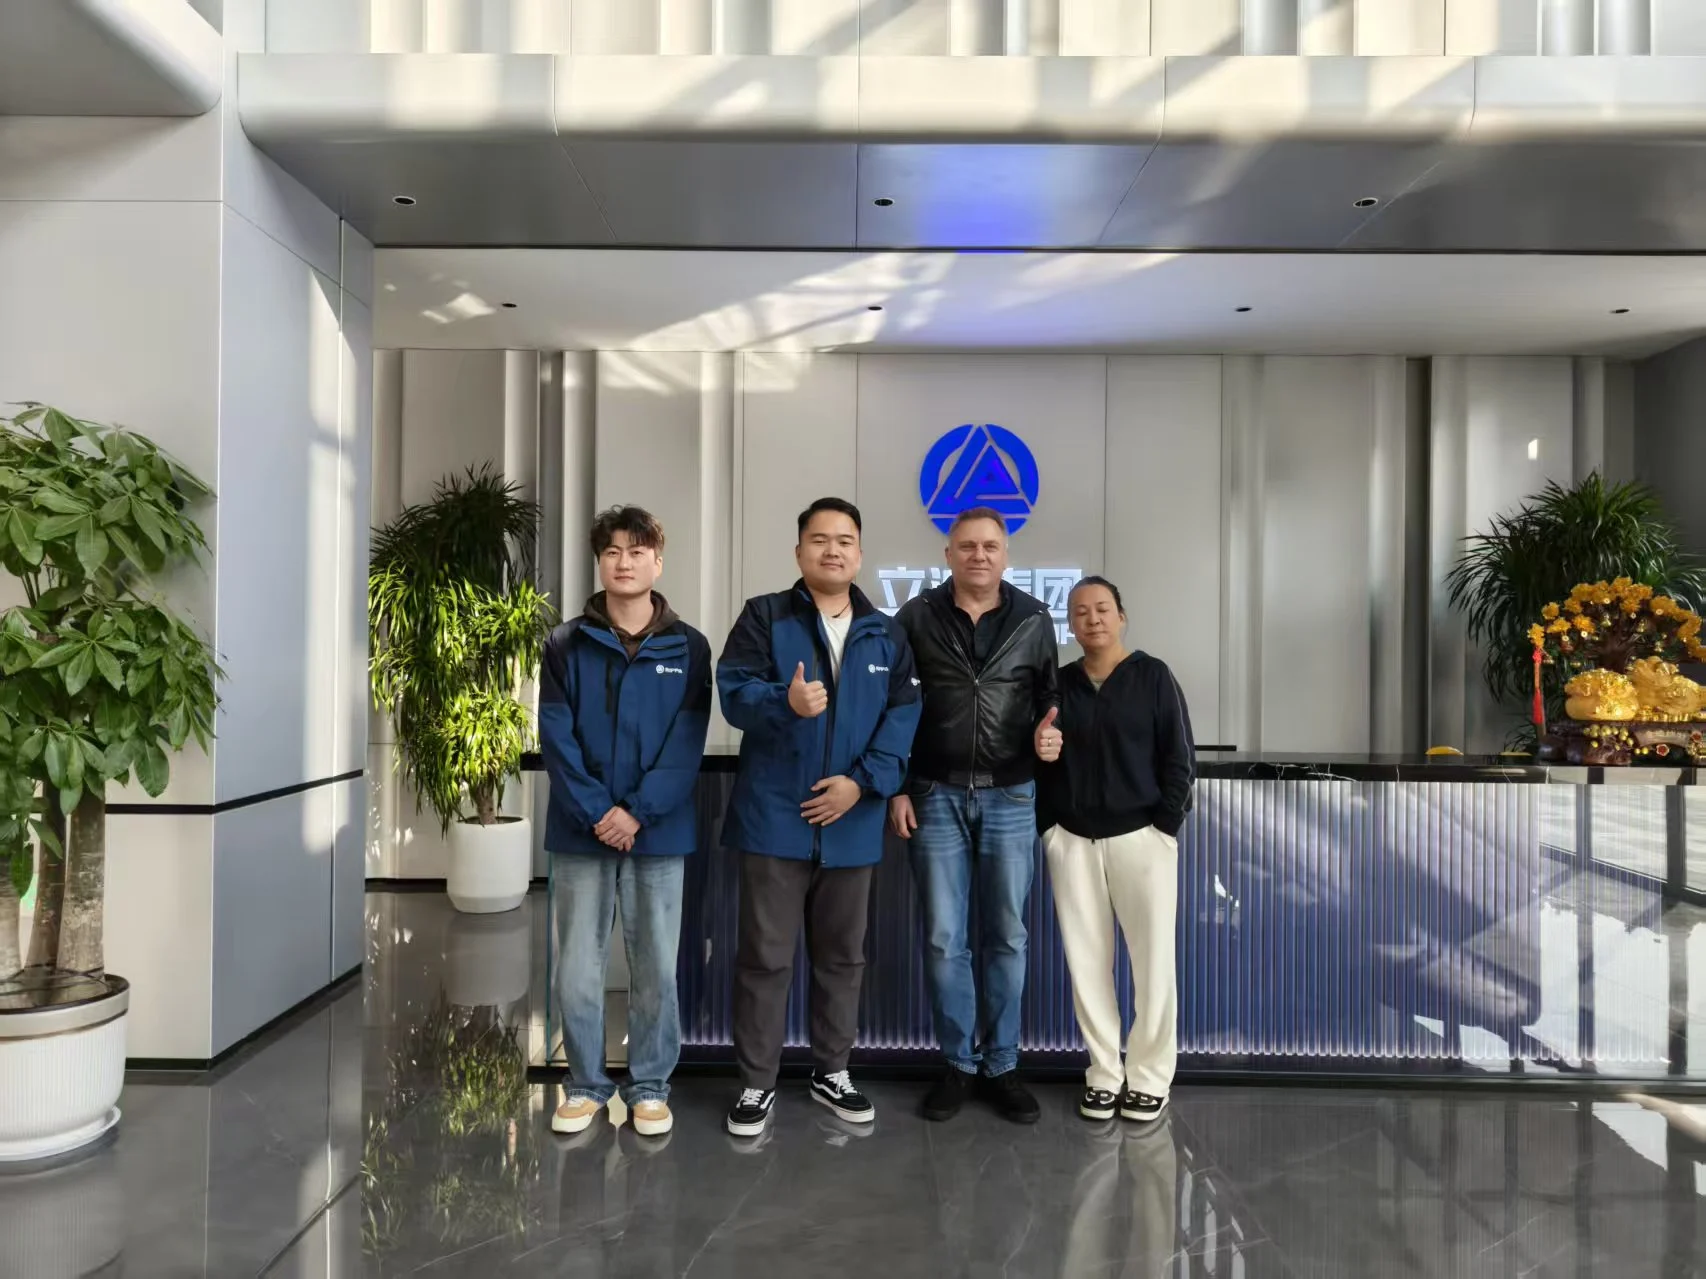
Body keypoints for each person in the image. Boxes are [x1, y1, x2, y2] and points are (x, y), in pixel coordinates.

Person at [717, 497, 922, 1138]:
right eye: (819, 539)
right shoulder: (765, 616)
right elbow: (733, 694)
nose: (832, 550)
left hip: (852, 823)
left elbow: (903, 718)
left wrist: (861, 784)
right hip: (774, 819)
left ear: (859, 553)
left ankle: (833, 1070)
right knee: (765, 958)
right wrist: (786, 701)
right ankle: (756, 1082)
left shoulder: (886, 633)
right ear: (799, 550)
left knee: (842, 958)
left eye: (844, 540)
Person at [539, 506, 712, 1140]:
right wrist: (599, 812)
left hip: (658, 831)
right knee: (578, 967)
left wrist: (637, 811)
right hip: (580, 830)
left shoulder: (689, 646)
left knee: (656, 967)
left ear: (657, 562)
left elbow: (687, 742)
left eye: (637, 551)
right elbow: (556, 736)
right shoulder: (564, 643)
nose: (624, 562)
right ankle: (585, 1084)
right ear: (599, 562)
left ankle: (650, 1086)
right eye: (612, 551)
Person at [891, 506, 1059, 1124]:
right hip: (933, 794)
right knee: (944, 937)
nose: (979, 555)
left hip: (1011, 795)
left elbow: (1049, 697)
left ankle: (1003, 1064)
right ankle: (959, 1064)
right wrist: (899, 787)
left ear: (1006, 554)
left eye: (990, 546)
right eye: (967, 546)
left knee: (1008, 935)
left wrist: (1051, 733)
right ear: (948, 555)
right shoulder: (915, 617)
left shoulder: (1034, 618)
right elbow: (896, 705)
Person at [1035, 576, 1195, 1123]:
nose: (1093, 619)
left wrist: (1163, 827)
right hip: (1072, 841)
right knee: (1087, 966)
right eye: (1080, 612)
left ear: (1121, 616)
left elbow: (1179, 758)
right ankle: (1104, 1073)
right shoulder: (1059, 686)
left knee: (1153, 965)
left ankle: (1149, 1077)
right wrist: (1051, 829)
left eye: (1102, 609)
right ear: (1071, 624)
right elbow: (1039, 758)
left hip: (1141, 839)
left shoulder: (1153, 676)